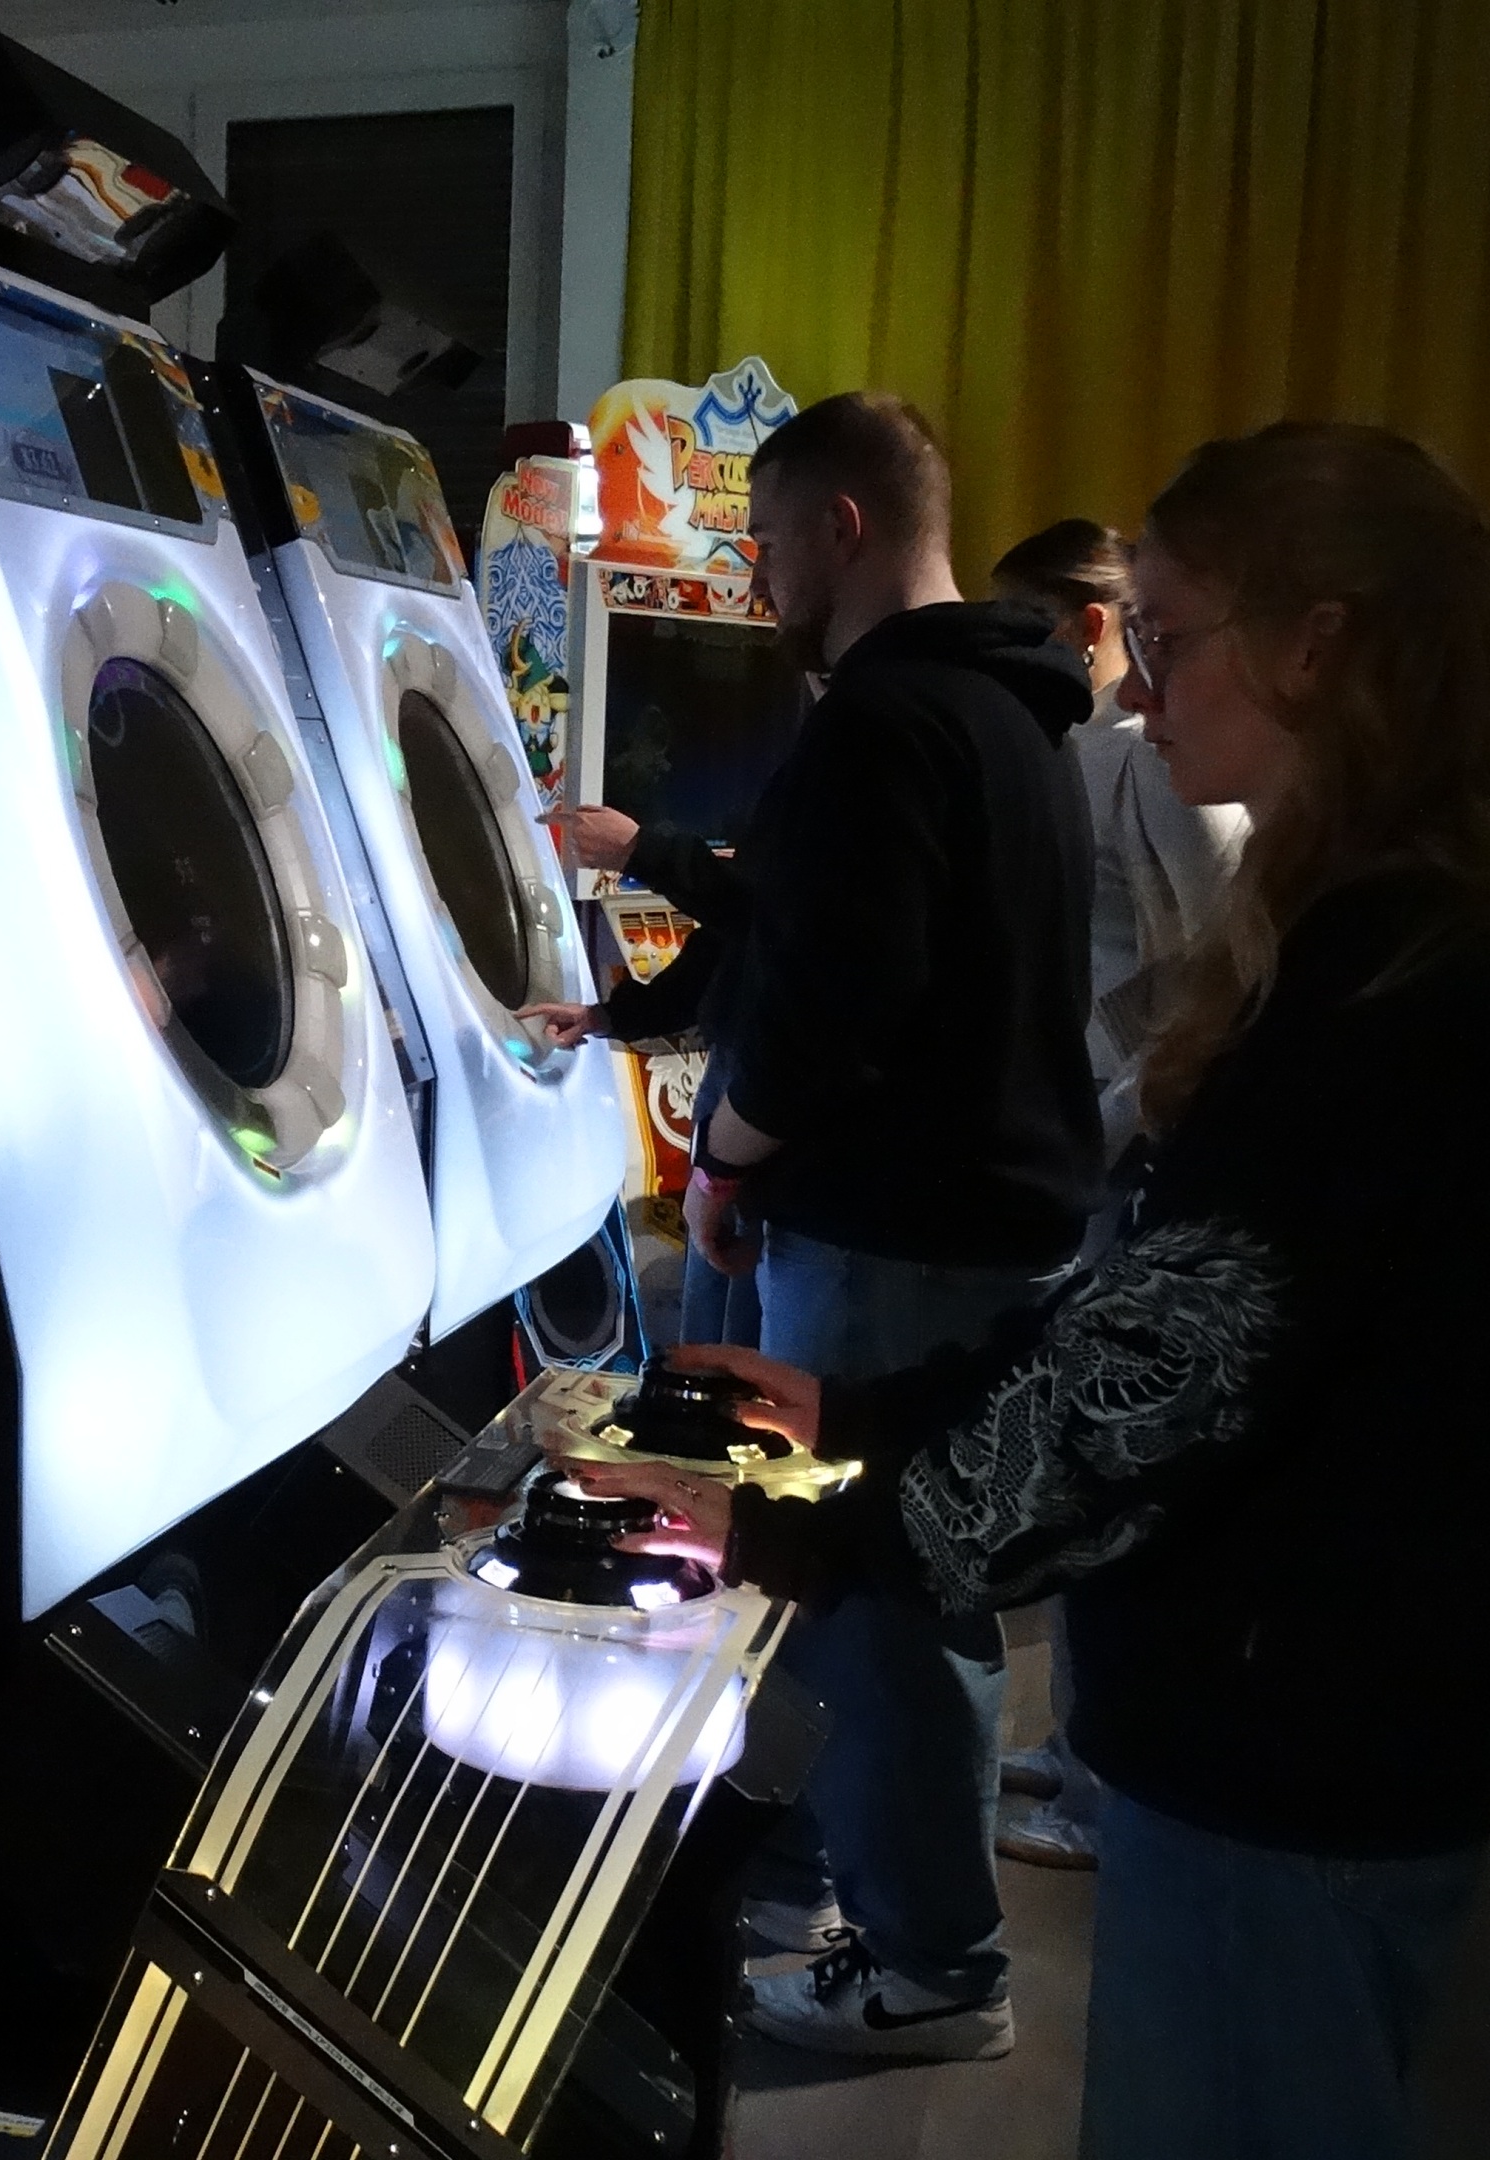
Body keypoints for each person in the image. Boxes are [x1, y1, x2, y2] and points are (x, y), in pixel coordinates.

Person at [566, 421, 1490, 2158]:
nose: (1141, 685)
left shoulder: (1394, 984)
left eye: (1170, 636)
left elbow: (1146, 1398)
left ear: (1317, 644)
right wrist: (848, 1412)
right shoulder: (1391, 928)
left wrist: (793, 1513)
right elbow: (1172, 1318)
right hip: (1309, 1725)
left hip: (1296, 1750)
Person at [525, 390, 1103, 2061]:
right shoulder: (1013, 711)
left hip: (892, 1227)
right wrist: (628, 1024)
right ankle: (883, 1903)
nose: (758, 578)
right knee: (918, 1580)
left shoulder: (888, 721)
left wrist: (723, 1158)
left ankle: (932, 1968)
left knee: (879, 1596)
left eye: (769, 542)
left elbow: (833, 1000)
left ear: (844, 527)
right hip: (974, 1219)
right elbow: (790, 924)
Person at [982, 518, 1246, 1873]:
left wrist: (1115, 1118)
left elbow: (1216, 965)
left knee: (1100, 1457)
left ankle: (1094, 1785)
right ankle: (1075, 1745)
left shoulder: (1162, 767)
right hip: (1083, 1127)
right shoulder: (1089, 754)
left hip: (1118, 1141)